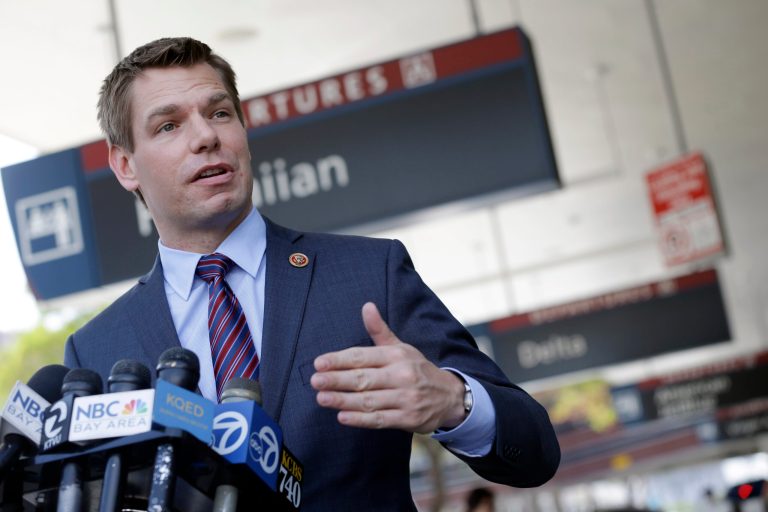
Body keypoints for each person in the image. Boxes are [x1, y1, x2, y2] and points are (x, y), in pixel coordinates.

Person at [64, 37, 560, 510]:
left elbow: (534, 448)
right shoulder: (97, 351)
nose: (206, 136)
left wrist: (453, 401)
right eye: (168, 126)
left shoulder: (371, 274)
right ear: (125, 164)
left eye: (219, 113)